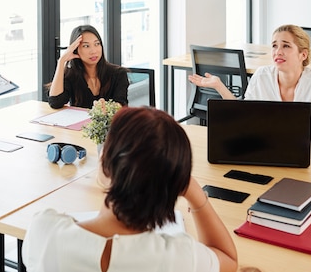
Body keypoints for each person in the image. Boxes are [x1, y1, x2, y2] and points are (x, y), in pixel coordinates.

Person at [22, 106, 238, 272]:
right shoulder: (179, 258)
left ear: (105, 160)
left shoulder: (45, 231)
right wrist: (196, 196)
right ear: (176, 187)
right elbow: (228, 259)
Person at [188, 24, 311, 144]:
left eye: (286, 46)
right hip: (267, 151)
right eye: (274, 45)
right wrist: (220, 86)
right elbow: (243, 115)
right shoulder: (262, 76)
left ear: (303, 54)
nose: (277, 51)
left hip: (310, 158)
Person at [48, 24, 129, 109]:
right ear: (75, 50)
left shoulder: (118, 74)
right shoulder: (70, 76)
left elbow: (122, 105)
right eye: (86, 46)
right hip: (80, 122)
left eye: (97, 44)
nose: (93, 51)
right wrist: (61, 61)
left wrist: (106, 107)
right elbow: (55, 102)